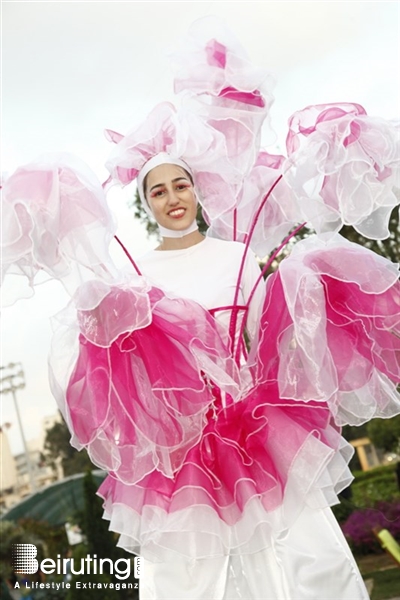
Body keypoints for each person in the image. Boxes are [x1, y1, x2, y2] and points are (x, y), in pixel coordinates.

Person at [2, 18, 399, 600]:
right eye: (157, 191)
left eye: (181, 186)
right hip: (182, 458)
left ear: (197, 188)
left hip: (263, 436)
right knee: (194, 573)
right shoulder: (135, 278)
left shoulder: (240, 258)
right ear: (147, 203)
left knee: (299, 555)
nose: (173, 199)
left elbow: (274, 347)